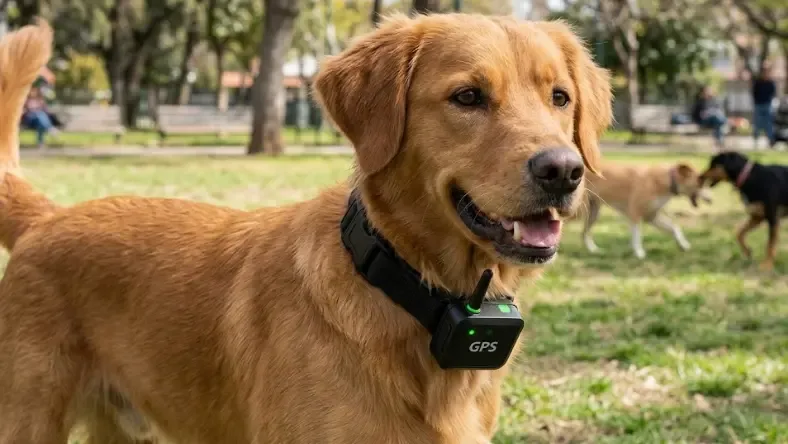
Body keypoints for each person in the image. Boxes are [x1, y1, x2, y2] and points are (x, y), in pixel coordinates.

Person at [691, 85, 727, 151]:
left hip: (714, 121)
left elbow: (719, 111)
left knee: (717, 119)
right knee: (718, 120)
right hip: (704, 121)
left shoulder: (715, 101)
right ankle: (720, 141)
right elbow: (694, 115)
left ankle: (719, 141)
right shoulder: (700, 102)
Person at [751, 64, 777, 149]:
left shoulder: (771, 83)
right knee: (757, 124)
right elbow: (754, 93)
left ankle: (770, 142)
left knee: (769, 124)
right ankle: (755, 141)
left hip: (768, 105)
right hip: (758, 105)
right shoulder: (758, 83)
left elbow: (773, 94)